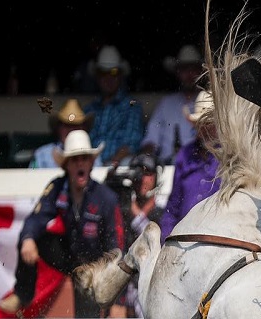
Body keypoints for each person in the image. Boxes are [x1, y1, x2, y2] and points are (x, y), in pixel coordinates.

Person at [0, 130, 124, 319]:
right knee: (33, 238)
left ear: (91, 164)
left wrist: (113, 294)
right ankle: (24, 292)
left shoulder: (105, 198)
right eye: (74, 160)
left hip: (95, 275)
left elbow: (116, 250)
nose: (80, 164)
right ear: (66, 165)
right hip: (71, 260)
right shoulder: (57, 188)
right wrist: (28, 239)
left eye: (84, 159)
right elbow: (35, 219)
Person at [103, 152, 163, 319]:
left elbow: (156, 245)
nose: (142, 178)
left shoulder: (162, 211)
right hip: (123, 305)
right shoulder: (121, 211)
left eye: (147, 172)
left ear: (156, 177)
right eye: (137, 171)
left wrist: (139, 216)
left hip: (149, 308)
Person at [159, 89, 221, 242]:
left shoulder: (229, 158)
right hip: (183, 239)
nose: (205, 129)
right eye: (201, 124)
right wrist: (165, 240)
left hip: (217, 239)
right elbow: (172, 207)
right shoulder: (184, 155)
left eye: (209, 123)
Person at [141, 44, 205, 165]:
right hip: (167, 167)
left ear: (200, 71)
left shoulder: (209, 101)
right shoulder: (166, 103)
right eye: (184, 69)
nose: (189, 74)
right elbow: (150, 140)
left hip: (200, 169)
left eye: (193, 68)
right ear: (177, 72)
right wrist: (148, 158)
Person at [84, 46, 145, 165]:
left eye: (114, 72)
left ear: (121, 75)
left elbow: (130, 145)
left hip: (116, 169)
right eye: (103, 72)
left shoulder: (132, 107)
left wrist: (110, 165)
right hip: (88, 167)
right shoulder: (88, 110)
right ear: (97, 76)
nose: (109, 77)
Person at [29, 98, 102, 169]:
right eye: (67, 125)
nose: (71, 130)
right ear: (58, 128)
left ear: (84, 129)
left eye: (76, 126)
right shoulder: (42, 155)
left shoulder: (93, 157)